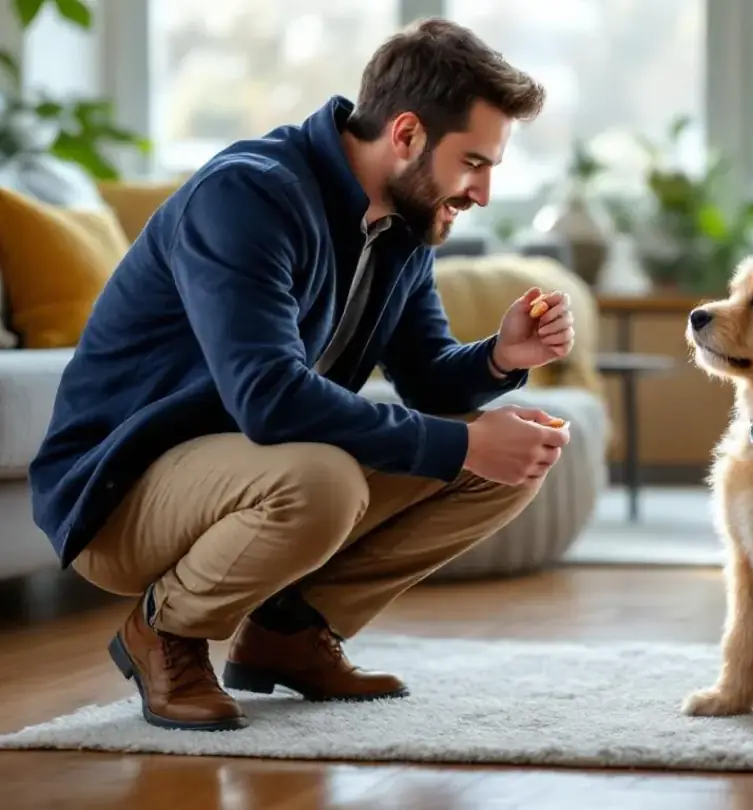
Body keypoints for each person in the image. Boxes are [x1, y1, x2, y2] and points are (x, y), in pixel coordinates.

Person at [28, 18, 575, 732]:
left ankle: (289, 633)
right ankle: (165, 632)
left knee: (512, 454)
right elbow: (269, 399)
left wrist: (501, 357)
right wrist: (463, 443)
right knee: (326, 479)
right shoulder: (249, 196)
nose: (483, 192)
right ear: (406, 135)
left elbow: (428, 380)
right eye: (474, 162)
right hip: (121, 489)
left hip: (247, 468)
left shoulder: (401, 226)